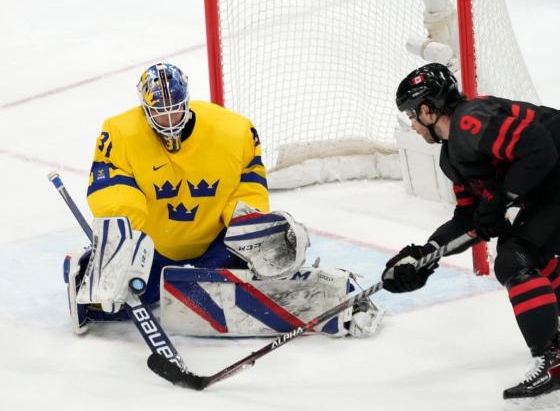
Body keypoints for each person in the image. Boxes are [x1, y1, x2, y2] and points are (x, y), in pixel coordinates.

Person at [63, 63, 382, 339]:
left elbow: (248, 185)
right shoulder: (119, 133)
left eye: (175, 109)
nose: (170, 119)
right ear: (145, 110)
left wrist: (250, 225)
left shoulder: (234, 131)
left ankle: (337, 292)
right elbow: (110, 186)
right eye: (160, 114)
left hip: (216, 247)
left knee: (259, 284)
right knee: (112, 301)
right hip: (152, 251)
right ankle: (87, 269)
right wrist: (126, 241)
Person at [382, 63, 560, 411]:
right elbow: (470, 218)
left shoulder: (470, 121)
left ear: (427, 109)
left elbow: (539, 148)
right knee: (525, 247)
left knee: (514, 256)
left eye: (411, 114)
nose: (412, 124)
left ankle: (551, 368)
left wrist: (503, 198)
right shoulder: (452, 156)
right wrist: (424, 256)